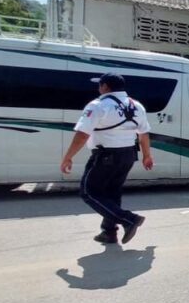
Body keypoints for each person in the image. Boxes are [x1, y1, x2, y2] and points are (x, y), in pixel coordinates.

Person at [61, 73, 154, 245]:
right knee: (112, 192)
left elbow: (82, 134)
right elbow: (144, 133)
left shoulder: (98, 105)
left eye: (100, 85)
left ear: (105, 87)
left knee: (89, 192)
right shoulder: (136, 105)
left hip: (106, 156)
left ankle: (128, 219)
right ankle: (109, 232)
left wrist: (68, 157)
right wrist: (147, 155)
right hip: (128, 155)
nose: (98, 88)